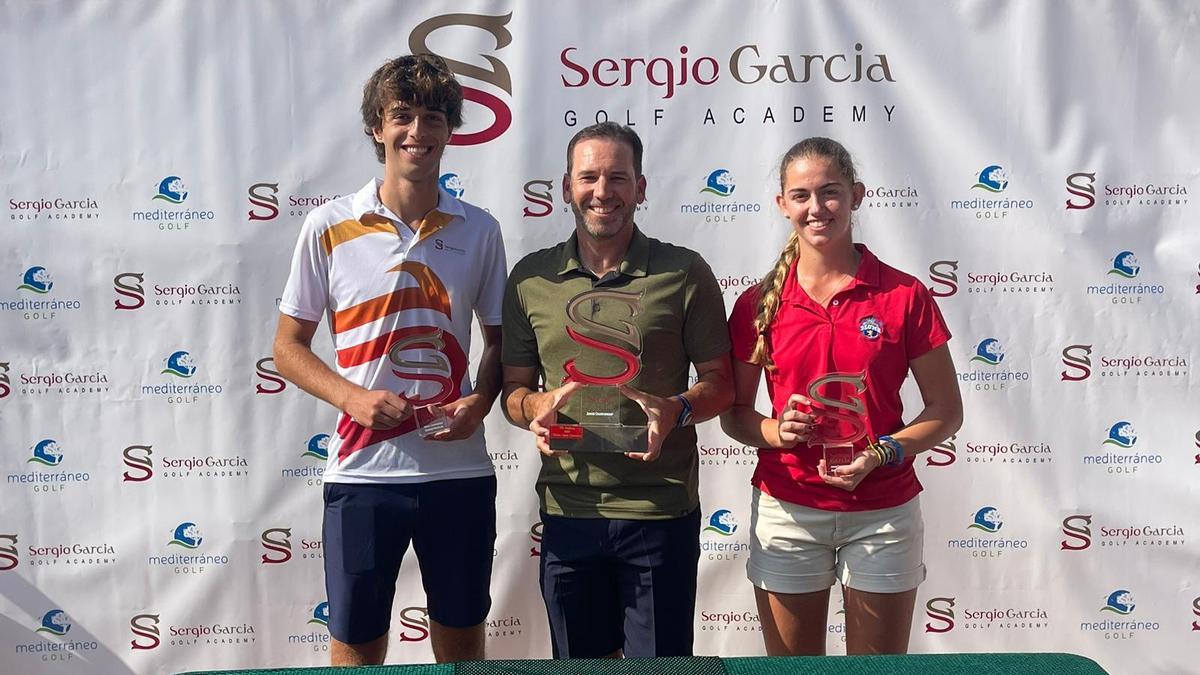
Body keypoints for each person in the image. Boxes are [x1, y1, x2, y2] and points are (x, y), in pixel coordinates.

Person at [272, 53, 506, 665]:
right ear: (377, 127)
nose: (417, 133)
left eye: (433, 117)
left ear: (451, 130)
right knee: (355, 641)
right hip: (362, 474)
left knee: (460, 640)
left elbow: (504, 344)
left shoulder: (479, 229)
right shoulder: (328, 225)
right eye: (402, 116)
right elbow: (286, 347)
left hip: (457, 472)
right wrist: (352, 397)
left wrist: (480, 403)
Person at [720, 137, 962, 656]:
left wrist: (884, 452)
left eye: (829, 192)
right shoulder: (757, 303)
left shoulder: (904, 295)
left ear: (856, 195)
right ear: (782, 204)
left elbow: (947, 411)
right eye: (801, 195)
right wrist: (773, 431)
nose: (816, 208)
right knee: (794, 673)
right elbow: (735, 416)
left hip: (883, 510)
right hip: (788, 508)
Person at [500, 122, 734, 659]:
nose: (602, 191)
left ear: (641, 188)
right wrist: (532, 406)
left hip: (660, 511)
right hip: (567, 511)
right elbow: (513, 390)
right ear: (565, 187)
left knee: (661, 671)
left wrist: (676, 409)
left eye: (617, 177)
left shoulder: (684, 272)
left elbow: (721, 387)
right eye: (588, 177)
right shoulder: (531, 278)